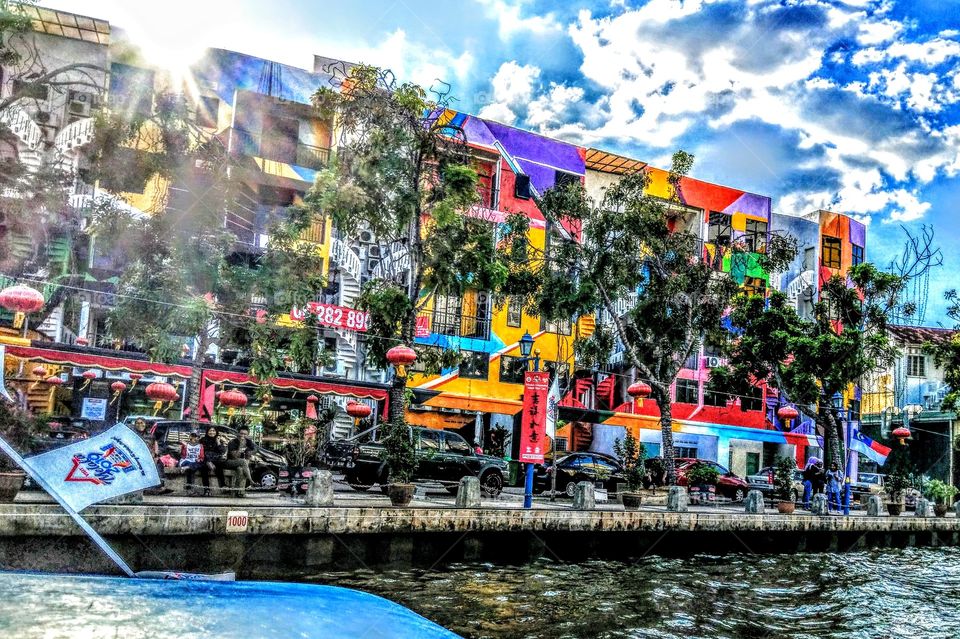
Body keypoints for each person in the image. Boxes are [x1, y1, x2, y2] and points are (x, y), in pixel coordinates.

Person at [225, 426, 256, 498]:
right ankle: (251, 480)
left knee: (241, 470)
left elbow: (255, 449)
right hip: (230, 462)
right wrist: (240, 446)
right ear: (238, 434)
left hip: (242, 464)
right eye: (241, 433)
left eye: (245, 434)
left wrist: (249, 453)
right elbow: (235, 457)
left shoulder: (248, 441)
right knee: (243, 461)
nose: (243, 436)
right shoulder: (232, 442)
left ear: (248, 435)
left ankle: (240, 492)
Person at [199, 426, 226, 496]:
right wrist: (208, 461)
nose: (212, 432)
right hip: (205, 459)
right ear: (207, 432)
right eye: (210, 430)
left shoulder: (218, 440)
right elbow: (201, 452)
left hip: (216, 460)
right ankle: (206, 489)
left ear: (216, 432)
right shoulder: (203, 440)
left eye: (213, 431)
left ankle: (223, 486)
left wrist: (218, 442)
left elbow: (222, 451)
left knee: (219, 466)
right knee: (203, 469)